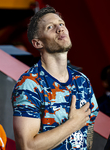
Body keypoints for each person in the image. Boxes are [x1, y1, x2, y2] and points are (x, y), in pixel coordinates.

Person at [11, 6, 99, 150]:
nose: (60, 28)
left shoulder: (82, 81)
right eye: (50, 27)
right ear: (38, 43)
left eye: (61, 24)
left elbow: (87, 133)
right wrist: (73, 124)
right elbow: (27, 146)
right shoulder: (30, 83)